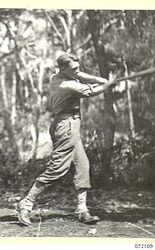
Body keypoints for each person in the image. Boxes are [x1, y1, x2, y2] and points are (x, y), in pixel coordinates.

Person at [17, 53, 117, 226]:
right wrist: (108, 83)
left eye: (77, 67)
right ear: (64, 69)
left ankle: (82, 209)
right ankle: (26, 204)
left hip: (67, 125)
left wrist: (103, 79)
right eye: (73, 69)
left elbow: (80, 75)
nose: (77, 71)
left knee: (83, 165)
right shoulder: (67, 85)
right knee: (57, 168)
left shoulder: (57, 76)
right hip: (66, 127)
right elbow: (93, 91)